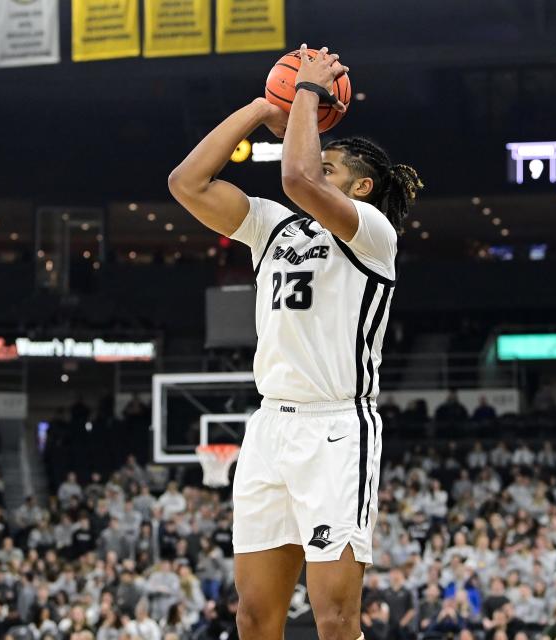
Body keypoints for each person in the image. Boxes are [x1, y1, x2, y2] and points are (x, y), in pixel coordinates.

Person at [169, 44, 423, 640]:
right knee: (255, 617)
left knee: (335, 618)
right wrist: (265, 103)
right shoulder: (273, 227)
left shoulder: (373, 235)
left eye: (332, 168)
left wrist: (305, 91)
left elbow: (298, 176)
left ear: (360, 187)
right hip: (270, 429)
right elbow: (187, 181)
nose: (314, 168)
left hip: (337, 428)